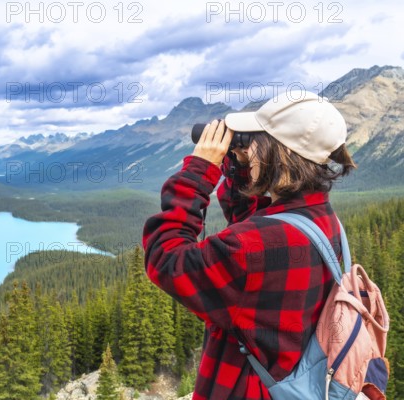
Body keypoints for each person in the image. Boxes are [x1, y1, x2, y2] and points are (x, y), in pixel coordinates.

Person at [142, 90, 357, 399]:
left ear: (278, 153)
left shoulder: (255, 246)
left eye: (257, 139)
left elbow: (166, 259)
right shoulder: (321, 220)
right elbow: (249, 218)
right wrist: (241, 164)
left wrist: (200, 171)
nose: (248, 146)